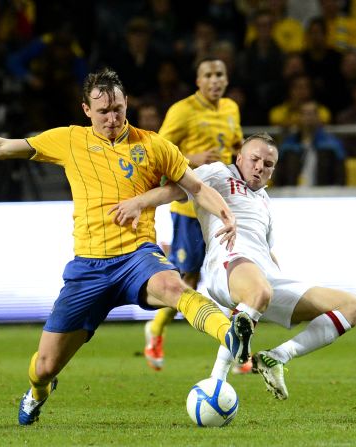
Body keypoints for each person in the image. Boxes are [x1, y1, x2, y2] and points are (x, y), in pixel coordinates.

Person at [0, 67, 255, 425]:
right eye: (103, 112)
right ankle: (38, 391)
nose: (112, 118)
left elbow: (196, 188)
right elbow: (1, 147)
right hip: (89, 268)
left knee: (173, 286)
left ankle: (231, 335)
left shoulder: (154, 145)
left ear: (127, 102)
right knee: (45, 366)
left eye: (118, 109)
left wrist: (227, 215)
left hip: (136, 257)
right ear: (86, 110)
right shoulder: (69, 140)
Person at [110, 132, 356, 400]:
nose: (259, 167)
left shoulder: (265, 201)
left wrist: (279, 277)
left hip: (265, 276)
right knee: (258, 292)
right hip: (229, 262)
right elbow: (175, 191)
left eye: (267, 165)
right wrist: (139, 202)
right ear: (239, 158)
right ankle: (218, 380)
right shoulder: (218, 172)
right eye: (255, 159)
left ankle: (276, 357)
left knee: (352, 307)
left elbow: (267, 249)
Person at [142, 57, 243, 372]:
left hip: (223, 205)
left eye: (220, 74)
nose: (215, 80)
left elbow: (236, 143)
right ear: (198, 80)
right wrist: (191, 157)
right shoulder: (182, 110)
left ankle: (240, 346)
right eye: (209, 75)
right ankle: (155, 330)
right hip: (189, 206)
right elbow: (156, 150)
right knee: (188, 278)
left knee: (237, 271)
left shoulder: (231, 109)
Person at [274, 100, 346, 187]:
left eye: (312, 113)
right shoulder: (287, 145)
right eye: (305, 113)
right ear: (299, 117)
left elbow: (340, 179)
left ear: (319, 117)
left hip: (324, 196)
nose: (309, 117)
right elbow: (279, 179)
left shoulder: (333, 145)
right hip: (293, 196)